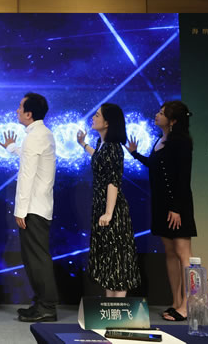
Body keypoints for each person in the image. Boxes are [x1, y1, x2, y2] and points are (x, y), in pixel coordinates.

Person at [126, 101, 196, 322]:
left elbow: (183, 177)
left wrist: (176, 208)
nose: (157, 115)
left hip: (178, 205)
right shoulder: (160, 139)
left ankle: (188, 305)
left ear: (173, 120)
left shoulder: (181, 142)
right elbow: (156, 166)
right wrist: (135, 154)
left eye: (162, 113)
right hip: (161, 204)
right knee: (170, 253)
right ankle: (176, 302)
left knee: (183, 254)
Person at [0, 93, 58, 322]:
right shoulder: (39, 134)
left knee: (37, 259)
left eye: (20, 107)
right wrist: (12, 147)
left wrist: (20, 210)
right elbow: (28, 158)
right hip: (38, 206)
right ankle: (41, 303)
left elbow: (27, 175)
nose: (17, 110)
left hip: (34, 208)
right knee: (34, 258)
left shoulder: (36, 136)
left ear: (29, 113)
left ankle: (47, 306)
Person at [77, 103, 140, 297]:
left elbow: (113, 181)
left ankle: (119, 308)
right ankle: (109, 305)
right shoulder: (101, 143)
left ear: (107, 123)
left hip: (112, 209)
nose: (93, 118)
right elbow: (99, 159)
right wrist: (83, 144)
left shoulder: (114, 148)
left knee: (117, 257)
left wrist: (109, 212)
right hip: (101, 206)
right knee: (107, 257)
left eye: (97, 115)